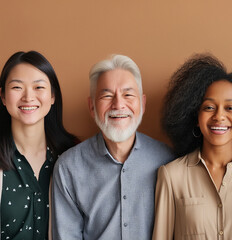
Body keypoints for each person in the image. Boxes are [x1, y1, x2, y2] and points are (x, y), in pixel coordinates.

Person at [152, 54, 232, 239]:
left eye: (230, 108)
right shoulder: (171, 177)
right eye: (209, 107)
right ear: (195, 116)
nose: (219, 116)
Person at [51, 54, 174, 240]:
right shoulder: (68, 167)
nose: (118, 104)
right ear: (91, 107)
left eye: (128, 95)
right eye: (107, 95)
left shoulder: (168, 160)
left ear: (142, 104)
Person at [0, 51, 78, 240]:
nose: (28, 97)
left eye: (39, 87)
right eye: (17, 87)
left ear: (52, 96)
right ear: (2, 96)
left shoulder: (73, 156)